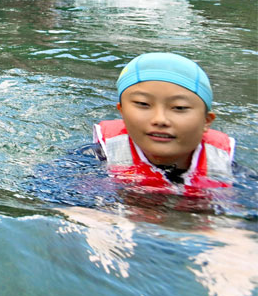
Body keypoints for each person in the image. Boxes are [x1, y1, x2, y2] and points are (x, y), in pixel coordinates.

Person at [93, 52, 235, 192]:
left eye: (179, 107)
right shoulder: (97, 157)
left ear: (206, 121)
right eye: (143, 104)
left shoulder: (224, 166)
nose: (160, 120)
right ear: (122, 111)